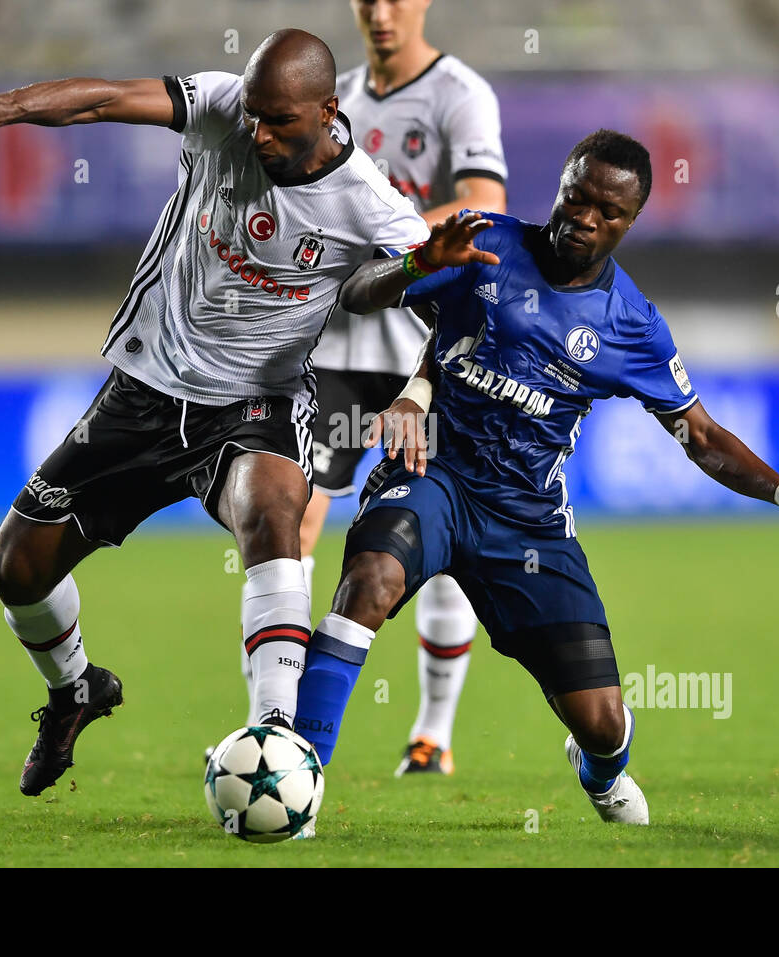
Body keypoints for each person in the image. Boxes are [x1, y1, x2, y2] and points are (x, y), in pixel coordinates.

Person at [0, 28, 454, 797]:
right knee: (16, 569)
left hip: (250, 405)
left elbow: (448, 304)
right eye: (254, 116)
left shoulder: (369, 201)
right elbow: (106, 97)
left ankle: (277, 739)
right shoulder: (223, 106)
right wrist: (3, 107)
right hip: (142, 388)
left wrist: (416, 388)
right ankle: (76, 690)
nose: (257, 131)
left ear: (328, 111)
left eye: (277, 120)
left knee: (276, 513)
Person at [291, 130, 779, 824]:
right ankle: (299, 775)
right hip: (433, 472)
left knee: (601, 720)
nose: (586, 218)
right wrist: (417, 263)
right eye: (578, 197)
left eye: (608, 211)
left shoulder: (631, 324)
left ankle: (601, 773)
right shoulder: (485, 243)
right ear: (562, 187)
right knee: (371, 581)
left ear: (631, 221)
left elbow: (702, 436)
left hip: (526, 516)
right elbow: (359, 292)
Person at [241, 0, 508, 777]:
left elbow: (485, 206)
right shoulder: (335, 98)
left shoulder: (461, 94)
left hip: (428, 345)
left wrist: (383, 226)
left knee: (438, 528)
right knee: (290, 522)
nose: (383, 12)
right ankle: (275, 723)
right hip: (339, 346)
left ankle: (432, 730)